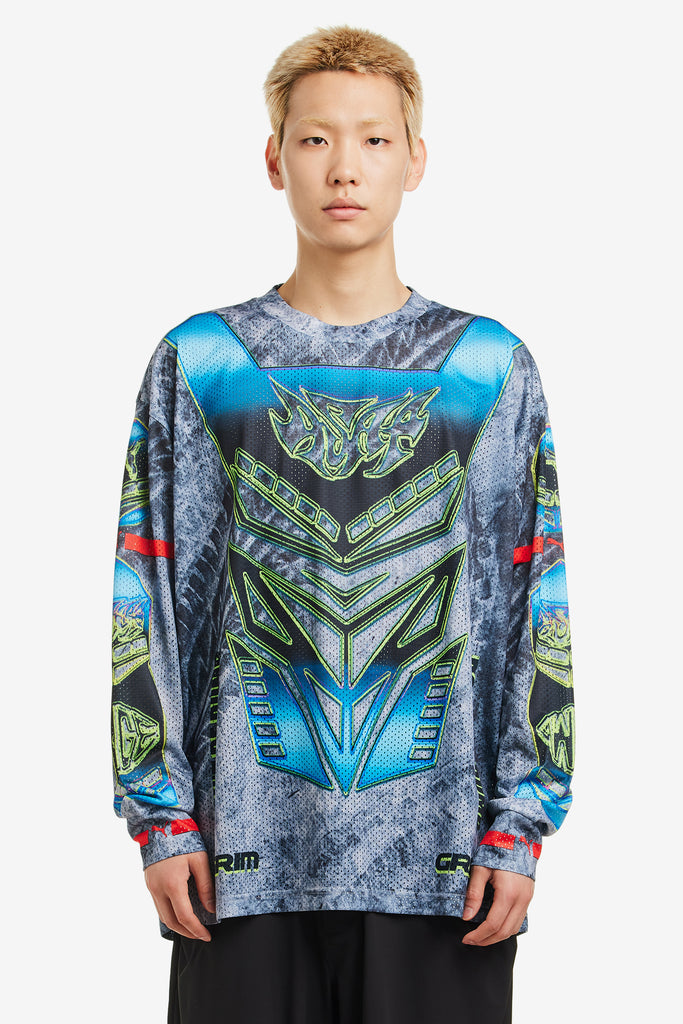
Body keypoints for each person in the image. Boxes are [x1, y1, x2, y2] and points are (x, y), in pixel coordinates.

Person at [111, 25, 574, 1024]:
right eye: (315, 139)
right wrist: (161, 816)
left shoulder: (487, 367)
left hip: (444, 865)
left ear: (415, 158)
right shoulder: (202, 361)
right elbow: (145, 591)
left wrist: (520, 821)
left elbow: (534, 597)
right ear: (273, 159)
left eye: (372, 138)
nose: (344, 168)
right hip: (238, 862)